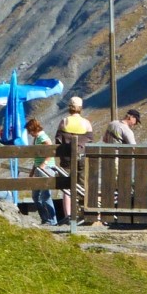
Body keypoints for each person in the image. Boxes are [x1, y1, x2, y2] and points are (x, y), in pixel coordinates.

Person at [53, 97, 94, 226]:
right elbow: (90, 140)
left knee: (67, 188)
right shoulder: (86, 123)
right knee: (82, 186)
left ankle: (68, 217)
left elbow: (58, 140)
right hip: (81, 158)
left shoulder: (64, 122)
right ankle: (83, 214)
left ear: (69, 107)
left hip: (67, 160)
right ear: (80, 108)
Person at [27, 116, 59, 225]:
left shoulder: (42, 137)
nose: (29, 133)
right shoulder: (37, 138)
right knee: (35, 196)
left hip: (46, 168)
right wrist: (33, 171)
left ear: (33, 129)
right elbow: (37, 157)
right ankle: (45, 218)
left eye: (29, 131)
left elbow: (50, 148)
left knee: (45, 195)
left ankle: (52, 220)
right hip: (38, 168)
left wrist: (44, 164)